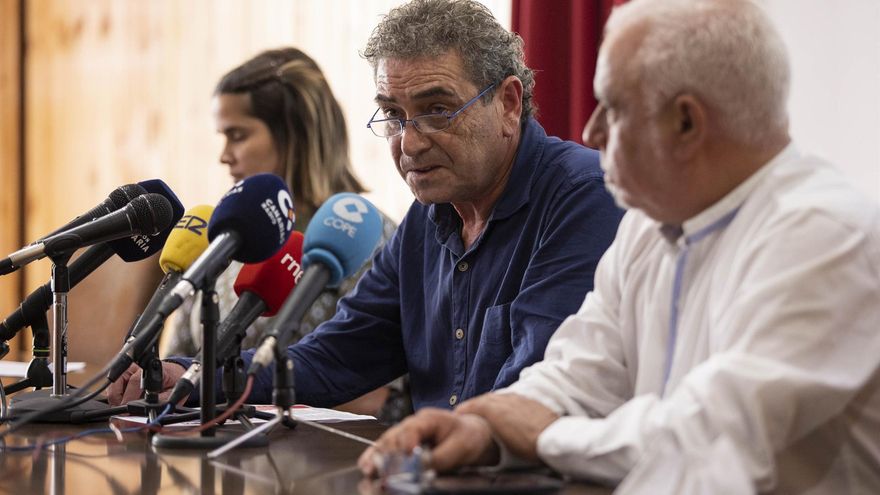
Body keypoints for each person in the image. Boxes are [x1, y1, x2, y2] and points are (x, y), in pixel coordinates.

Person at [359, 0, 880, 492]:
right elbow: (581, 372)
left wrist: (540, 434)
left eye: (613, 108)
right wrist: (485, 431)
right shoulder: (651, 225)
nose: (592, 130)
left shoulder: (827, 234)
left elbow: (708, 436)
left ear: (686, 122)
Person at [109, 0, 622, 418]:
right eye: (394, 116)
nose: (410, 143)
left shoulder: (583, 194)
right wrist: (194, 377)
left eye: (437, 110)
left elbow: (542, 383)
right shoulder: (428, 218)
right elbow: (335, 354)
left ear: (509, 103)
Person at [123, 47, 404, 419]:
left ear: (294, 135)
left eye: (237, 135)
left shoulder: (368, 236)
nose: (224, 155)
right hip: (206, 437)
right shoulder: (224, 234)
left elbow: (380, 395)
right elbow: (182, 360)